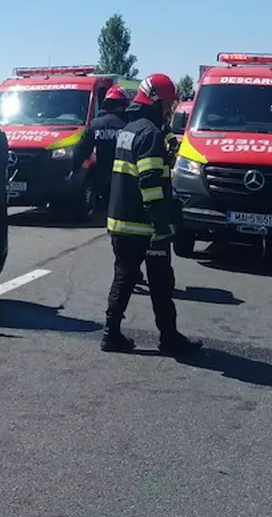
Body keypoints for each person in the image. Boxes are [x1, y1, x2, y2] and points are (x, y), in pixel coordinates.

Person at [101, 73, 201, 355]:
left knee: (123, 278)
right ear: (156, 101)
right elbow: (150, 184)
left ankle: (111, 334)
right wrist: (162, 224)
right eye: (168, 104)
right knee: (161, 283)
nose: (170, 109)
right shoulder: (150, 135)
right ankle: (169, 338)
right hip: (145, 226)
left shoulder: (131, 129)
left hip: (121, 222)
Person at [68, 84, 130, 214]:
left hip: (102, 176)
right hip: (126, 177)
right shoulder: (130, 125)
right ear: (124, 104)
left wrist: (74, 169)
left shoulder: (96, 124)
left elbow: (82, 149)